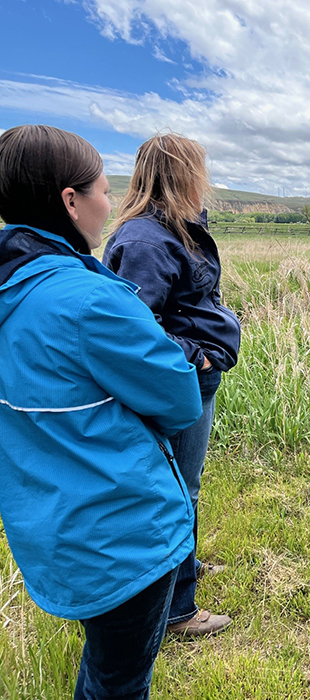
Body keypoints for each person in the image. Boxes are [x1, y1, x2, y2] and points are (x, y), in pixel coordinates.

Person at [0, 125, 202, 698]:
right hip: (121, 538)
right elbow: (179, 397)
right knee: (118, 683)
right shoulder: (91, 300)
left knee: (107, 669)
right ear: (70, 201)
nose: (109, 205)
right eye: (103, 192)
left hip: (50, 530)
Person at [103, 134, 241, 636]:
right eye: (198, 171)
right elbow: (134, 329)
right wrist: (198, 356)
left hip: (191, 380)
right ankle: (179, 608)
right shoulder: (146, 240)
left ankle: (185, 569)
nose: (205, 181)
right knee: (180, 489)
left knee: (184, 484)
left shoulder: (172, 229)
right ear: (180, 174)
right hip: (181, 383)